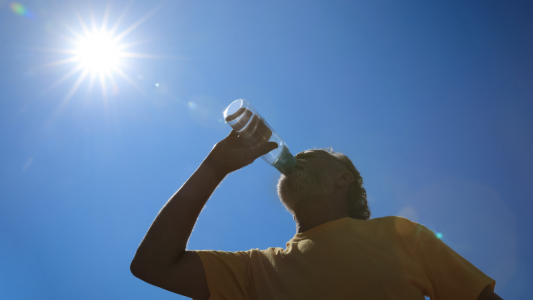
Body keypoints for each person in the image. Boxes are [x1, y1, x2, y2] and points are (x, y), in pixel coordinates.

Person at [130, 129, 502, 300]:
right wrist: (215, 166)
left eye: (309, 158)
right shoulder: (258, 270)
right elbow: (152, 266)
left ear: (343, 178)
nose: (295, 159)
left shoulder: (400, 234)